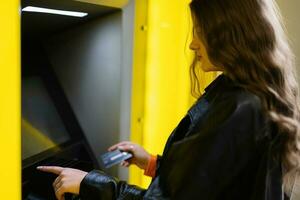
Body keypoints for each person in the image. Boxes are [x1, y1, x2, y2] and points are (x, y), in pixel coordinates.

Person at [37, 0, 300, 199]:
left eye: (199, 31)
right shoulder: (253, 94)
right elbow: (212, 179)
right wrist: (151, 163)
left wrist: (89, 183)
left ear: (227, 34)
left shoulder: (238, 107)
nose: (193, 44)